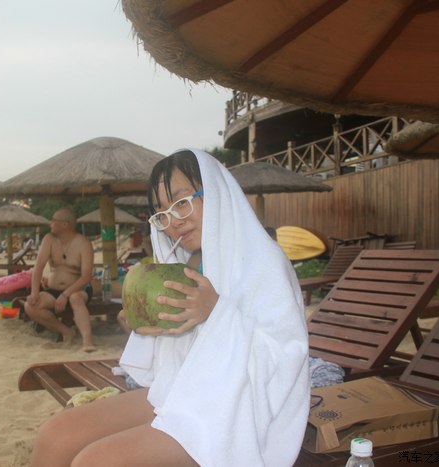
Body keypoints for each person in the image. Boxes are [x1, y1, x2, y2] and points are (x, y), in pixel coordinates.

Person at [31, 150, 310, 466]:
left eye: (182, 203)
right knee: (55, 436)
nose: (173, 221)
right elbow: (178, 356)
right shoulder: (186, 264)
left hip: (234, 413)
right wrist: (145, 327)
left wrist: (216, 311)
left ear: (218, 192)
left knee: (94, 463)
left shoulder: (263, 263)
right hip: (180, 394)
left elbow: (285, 360)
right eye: (161, 213)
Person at [25, 207, 96, 351]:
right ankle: (66, 331)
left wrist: (66, 294)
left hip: (78, 289)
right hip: (54, 290)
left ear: (65, 224)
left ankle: (87, 340)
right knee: (30, 306)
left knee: (75, 299)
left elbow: (86, 276)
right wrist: (34, 293)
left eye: (54, 220)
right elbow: (38, 267)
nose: (50, 223)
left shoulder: (83, 243)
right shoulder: (49, 240)